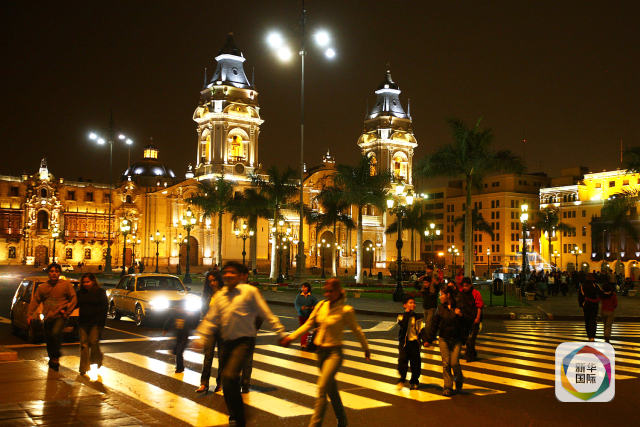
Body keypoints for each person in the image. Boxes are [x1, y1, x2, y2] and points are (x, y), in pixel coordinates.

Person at [195, 261, 286, 427]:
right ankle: (235, 415)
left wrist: (280, 332)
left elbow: (265, 312)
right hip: (226, 342)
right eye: (226, 272)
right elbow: (210, 319)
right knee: (227, 382)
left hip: (244, 341)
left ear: (239, 276)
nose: (228, 275)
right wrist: (200, 337)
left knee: (229, 376)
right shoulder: (221, 295)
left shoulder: (249, 292)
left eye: (232, 272)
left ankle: (238, 418)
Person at [281, 278, 370, 427]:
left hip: (334, 353)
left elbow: (357, 330)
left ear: (338, 292)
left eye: (330, 291)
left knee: (322, 388)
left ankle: (315, 424)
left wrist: (366, 348)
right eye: (326, 291)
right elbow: (309, 324)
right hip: (320, 353)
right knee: (331, 389)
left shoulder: (345, 310)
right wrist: (290, 337)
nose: (327, 294)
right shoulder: (321, 305)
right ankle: (343, 421)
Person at [27, 263, 77, 371]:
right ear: (48, 273)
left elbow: (73, 298)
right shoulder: (42, 287)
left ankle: (56, 357)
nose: (54, 273)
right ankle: (52, 357)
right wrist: (29, 314)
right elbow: (35, 301)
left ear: (59, 273)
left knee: (55, 333)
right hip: (48, 316)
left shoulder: (66, 285)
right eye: (52, 271)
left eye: (56, 271)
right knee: (49, 338)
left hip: (60, 316)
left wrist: (67, 311)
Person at [424, 288, 466, 396]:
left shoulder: (458, 307)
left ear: (448, 295)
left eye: (441, 294)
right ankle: (448, 387)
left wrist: (460, 316)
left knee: (454, 363)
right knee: (446, 363)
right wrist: (428, 339)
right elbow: (434, 324)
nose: (440, 297)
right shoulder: (440, 308)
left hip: (456, 339)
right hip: (443, 338)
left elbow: (465, 323)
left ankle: (459, 378)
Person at [196, 271, 224, 393]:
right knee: (208, 356)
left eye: (214, 280)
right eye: (210, 281)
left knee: (222, 357)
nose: (212, 283)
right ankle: (204, 383)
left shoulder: (224, 293)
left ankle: (220, 384)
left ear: (219, 280)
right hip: (210, 329)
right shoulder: (207, 294)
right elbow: (204, 311)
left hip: (223, 329)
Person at [76, 273, 108, 376]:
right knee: (84, 345)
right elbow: (75, 304)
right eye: (84, 282)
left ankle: (98, 358)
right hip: (83, 322)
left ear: (93, 281)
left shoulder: (100, 292)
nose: (85, 284)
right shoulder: (80, 293)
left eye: (88, 282)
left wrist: (101, 323)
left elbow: (104, 308)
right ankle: (83, 368)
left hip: (95, 322)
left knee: (93, 342)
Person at [396, 296, 423, 390]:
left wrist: (424, 339)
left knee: (416, 363)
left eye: (414, 303)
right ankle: (402, 379)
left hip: (414, 343)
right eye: (410, 303)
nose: (413, 304)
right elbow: (403, 325)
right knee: (402, 361)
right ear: (405, 305)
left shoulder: (418, 317)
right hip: (404, 343)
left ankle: (414, 381)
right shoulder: (401, 316)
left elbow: (420, 329)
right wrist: (408, 313)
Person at [460, 278, 483, 362]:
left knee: (471, 339)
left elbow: (479, 306)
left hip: (474, 319)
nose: (465, 288)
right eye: (463, 286)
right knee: (467, 339)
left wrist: (477, 318)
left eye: (466, 286)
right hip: (465, 319)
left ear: (470, 285)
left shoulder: (476, 293)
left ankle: (470, 355)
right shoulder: (461, 293)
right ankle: (471, 354)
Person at [294, 282, 318, 349]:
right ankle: (303, 343)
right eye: (302, 287)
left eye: (305, 287)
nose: (303, 288)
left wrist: (314, 307)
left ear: (308, 288)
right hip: (301, 315)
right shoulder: (299, 296)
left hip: (309, 316)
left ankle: (308, 343)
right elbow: (296, 305)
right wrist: (300, 308)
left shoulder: (312, 297)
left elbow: (317, 303)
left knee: (308, 330)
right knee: (303, 330)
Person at [419, 265, 440, 334]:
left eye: (429, 270)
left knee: (428, 323)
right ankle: (431, 334)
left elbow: (438, 287)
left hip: (432, 306)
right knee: (428, 322)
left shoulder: (434, 281)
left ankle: (427, 336)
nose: (427, 271)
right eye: (427, 269)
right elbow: (416, 286)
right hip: (425, 306)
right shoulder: (424, 286)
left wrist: (435, 282)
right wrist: (419, 280)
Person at [578, 276, 600, 342]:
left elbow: (580, 295)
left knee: (587, 320)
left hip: (586, 304)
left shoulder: (582, 286)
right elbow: (599, 293)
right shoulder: (596, 285)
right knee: (593, 321)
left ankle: (589, 335)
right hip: (594, 305)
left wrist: (581, 304)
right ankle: (592, 336)